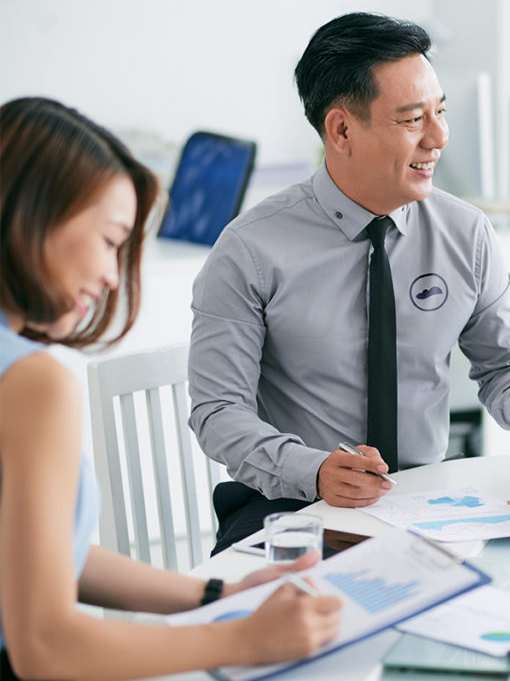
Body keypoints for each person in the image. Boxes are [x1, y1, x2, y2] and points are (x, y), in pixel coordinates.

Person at [189, 11, 510, 555]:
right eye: (412, 120)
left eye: (439, 113)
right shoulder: (251, 249)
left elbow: (504, 367)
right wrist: (316, 469)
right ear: (342, 130)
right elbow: (218, 411)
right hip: (292, 507)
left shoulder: (466, 233)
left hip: (427, 505)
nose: (438, 138)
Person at [0, 97, 342, 680]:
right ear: (32, 216)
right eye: (110, 240)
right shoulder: (32, 381)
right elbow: (45, 645)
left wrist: (213, 596)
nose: (112, 275)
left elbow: (42, 557)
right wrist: (244, 639)